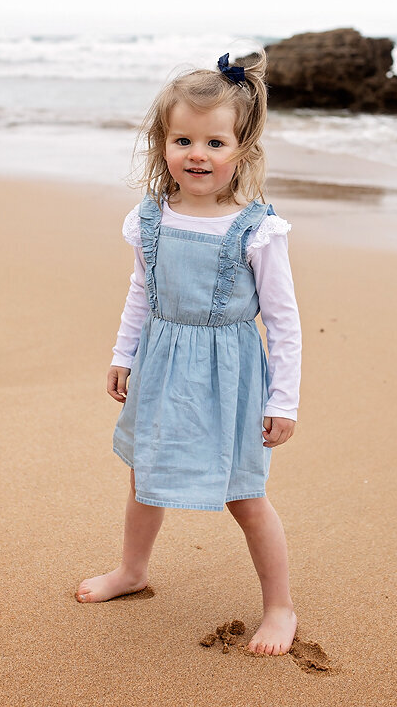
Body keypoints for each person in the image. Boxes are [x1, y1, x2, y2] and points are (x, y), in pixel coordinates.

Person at [76, 50, 302, 656]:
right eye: (183, 139)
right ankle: (132, 570)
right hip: (162, 362)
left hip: (229, 376)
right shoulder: (151, 218)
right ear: (163, 143)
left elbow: (282, 321)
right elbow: (141, 293)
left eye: (215, 141)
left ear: (243, 149)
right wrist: (124, 353)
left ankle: (279, 606)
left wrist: (285, 400)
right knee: (143, 473)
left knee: (244, 495)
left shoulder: (257, 229)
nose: (197, 153)